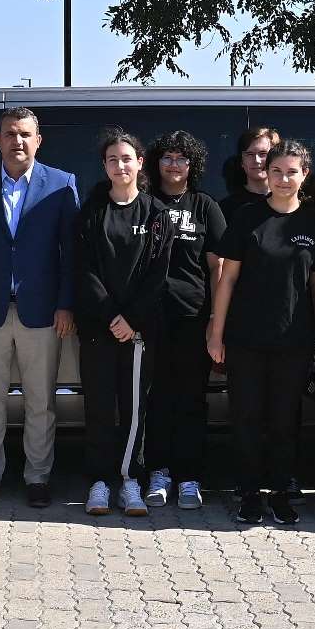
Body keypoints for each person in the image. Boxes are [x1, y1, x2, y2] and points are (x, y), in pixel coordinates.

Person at [0, 108, 79, 508]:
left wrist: (65, 305)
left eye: (25, 134)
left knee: (40, 401)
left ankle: (37, 477)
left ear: (38, 140)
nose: (17, 141)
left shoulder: (61, 184)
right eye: (10, 134)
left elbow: (71, 254)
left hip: (42, 313)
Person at [208, 139, 315, 526]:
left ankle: (280, 490)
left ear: (305, 174)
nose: (284, 178)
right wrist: (216, 331)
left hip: (295, 340)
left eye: (292, 171)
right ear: (266, 174)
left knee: (285, 418)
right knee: (247, 416)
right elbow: (227, 279)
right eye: (277, 171)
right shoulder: (246, 218)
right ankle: (249, 491)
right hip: (246, 339)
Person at [74, 129, 166, 518]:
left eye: (127, 158)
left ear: (139, 163)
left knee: (133, 409)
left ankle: (131, 480)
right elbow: (84, 269)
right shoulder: (92, 211)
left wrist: (131, 319)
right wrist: (111, 315)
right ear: (105, 166)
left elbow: (157, 273)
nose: (120, 165)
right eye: (113, 159)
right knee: (97, 405)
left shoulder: (157, 214)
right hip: (99, 327)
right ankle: (99, 481)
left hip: (138, 331)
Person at [142, 130, 225, 510]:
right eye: (167, 157)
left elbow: (218, 268)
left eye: (182, 159)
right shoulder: (143, 202)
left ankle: (189, 476)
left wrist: (214, 322)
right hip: (149, 320)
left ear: (193, 165)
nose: (174, 165)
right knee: (156, 398)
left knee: (191, 399)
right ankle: (158, 472)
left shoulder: (204, 206)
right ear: (156, 162)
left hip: (193, 320)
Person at [221, 125, 281, 220]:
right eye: (250, 154)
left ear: (275, 158)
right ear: (241, 161)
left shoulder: (287, 202)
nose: (256, 160)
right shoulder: (226, 208)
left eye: (263, 154)